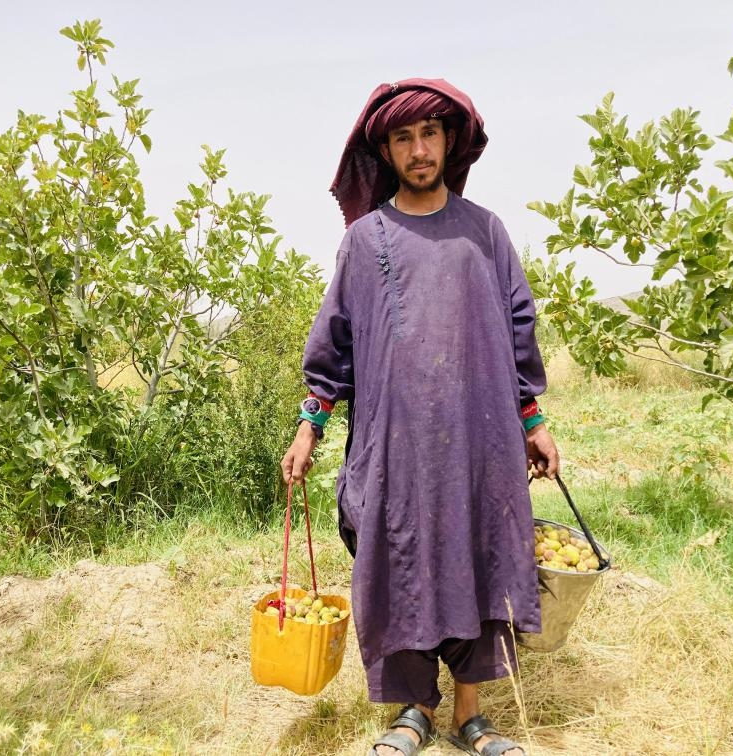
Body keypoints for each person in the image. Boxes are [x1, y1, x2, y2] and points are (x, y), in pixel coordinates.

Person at [281, 78, 559, 756]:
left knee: (477, 555)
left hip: (479, 440)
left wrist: (531, 418)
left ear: (448, 141)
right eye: (403, 138)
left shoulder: (484, 231)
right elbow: (335, 343)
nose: (419, 148)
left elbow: (519, 325)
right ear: (386, 152)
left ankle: (472, 716)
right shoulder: (364, 241)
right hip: (394, 445)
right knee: (399, 559)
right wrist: (309, 423)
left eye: (428, 133)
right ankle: (413, 713)